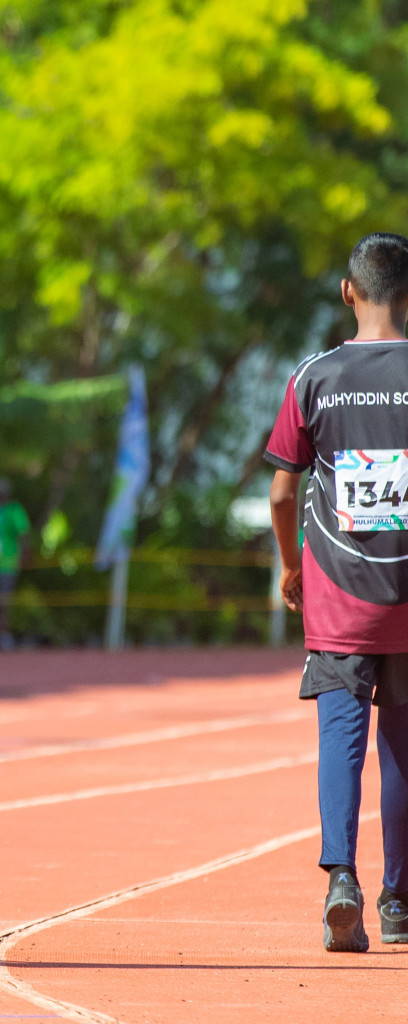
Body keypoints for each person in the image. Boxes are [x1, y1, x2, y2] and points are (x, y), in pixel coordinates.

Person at [267, 232, 408, 953]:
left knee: (340, 740)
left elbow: (283, 488)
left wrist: (291, 563)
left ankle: (342, 882)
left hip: (337, 594)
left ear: (348, 292)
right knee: (405, 747)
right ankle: (399, 901)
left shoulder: (314, 377)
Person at [0, 479, 30, 650]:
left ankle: (2, 635)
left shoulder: (13, 510)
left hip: (7, 564)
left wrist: (24, 555)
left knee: (1, 602)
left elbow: (23, 533)